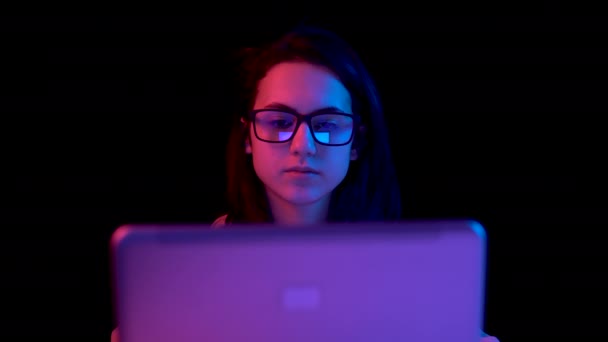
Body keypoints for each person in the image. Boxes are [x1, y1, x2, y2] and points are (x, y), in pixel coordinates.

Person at [111, 23, 499, 342]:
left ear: (356, 143)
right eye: (279, 123)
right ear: (248, 137)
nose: (303, 146)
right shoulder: (198, 270)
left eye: (327, 124)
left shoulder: (402, 270)